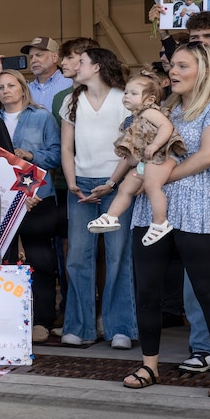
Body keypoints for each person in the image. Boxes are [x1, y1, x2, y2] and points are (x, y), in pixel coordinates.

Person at [123, 42, 210, 398]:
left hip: (198, 209)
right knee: (147, 291)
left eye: (182, 66)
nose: (172, 71)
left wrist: (157, 179)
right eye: (171, 65)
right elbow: (138, 155)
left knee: (208, 292)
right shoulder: (164, 111)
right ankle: (149, 364)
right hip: (151, 211)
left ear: (202, 71)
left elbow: (207, 156)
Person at [59, 48, 137, 349]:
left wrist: (112, 182)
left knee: (118, 255)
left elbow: (132, 147)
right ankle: (79, 327)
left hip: (116, 184)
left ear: (97, 67)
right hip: (80, 184)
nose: (75, 66)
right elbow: (67, 148)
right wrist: (72, 182)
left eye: (81, 62)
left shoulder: (123, 99)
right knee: (78, 257)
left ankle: (121, 327)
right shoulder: (71, 100)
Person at [0, 69, 62, 342]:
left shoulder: (42, 117)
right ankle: (9, 317)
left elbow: (56, 155)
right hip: (1, 199)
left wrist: (31, 155)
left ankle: (42, 319)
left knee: (40, 259)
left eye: (11, 85)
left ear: (22, 88)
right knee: (3, 261)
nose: (6, 90)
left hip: (36, 197)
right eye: (1, 86)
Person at [87, 71, 186, 245]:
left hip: (162, 157)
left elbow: (166, 126)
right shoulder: (131, 119)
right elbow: (132, 156)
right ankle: (112, 216)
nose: (126, 96)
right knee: (125, 187)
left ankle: (160, 221)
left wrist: (155, 145)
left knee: (151, 185)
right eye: (126, 92)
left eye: (133, 93)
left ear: (149, 100)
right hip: (146, 162)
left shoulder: (149, 112)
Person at [0, 37, 73, 111]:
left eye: (39, 55)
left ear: (54, 57)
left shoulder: (71, 83)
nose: (33, 60)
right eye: (31, 57)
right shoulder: (25, 89)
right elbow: (6, 110)